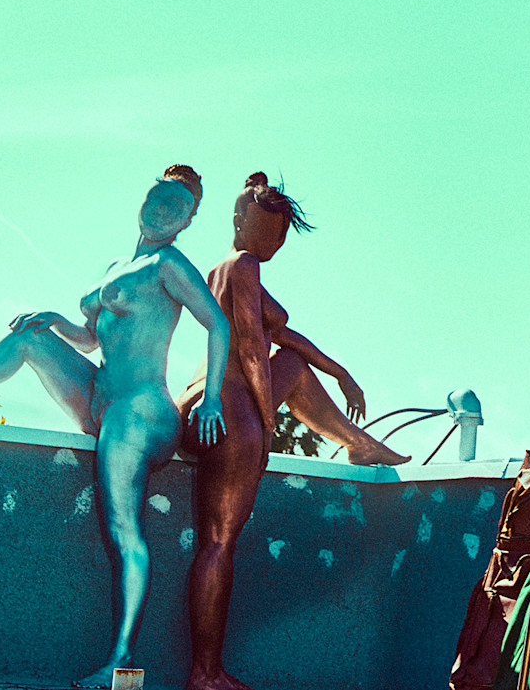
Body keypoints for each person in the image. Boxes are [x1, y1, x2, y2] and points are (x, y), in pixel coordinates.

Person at [0, 165, 229, 688]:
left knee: (122, 529)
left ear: (187, 222)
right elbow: (92, 339)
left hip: (141, 410)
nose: (162, 210)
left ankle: (121, 662)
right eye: (157, 197)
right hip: (99, 395)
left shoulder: (169, 264)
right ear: (143, 199)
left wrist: (213, 398)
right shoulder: (117, 267)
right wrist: (56, 322)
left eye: (177, 207)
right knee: (30, 339)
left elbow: (217, 324)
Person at [177, 172, 409, 690]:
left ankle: (357, 443)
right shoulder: (243, 266)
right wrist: (264, 425)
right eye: (271, 231)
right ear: (242, 222)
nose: (276, 243)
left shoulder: (226, 268)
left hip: (201, 400)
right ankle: (205, 674)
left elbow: (282, 340)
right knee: (218, 544)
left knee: (295, 367)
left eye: (280, 235)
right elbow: (250, 350)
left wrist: (340, 372)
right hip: (228, 405)